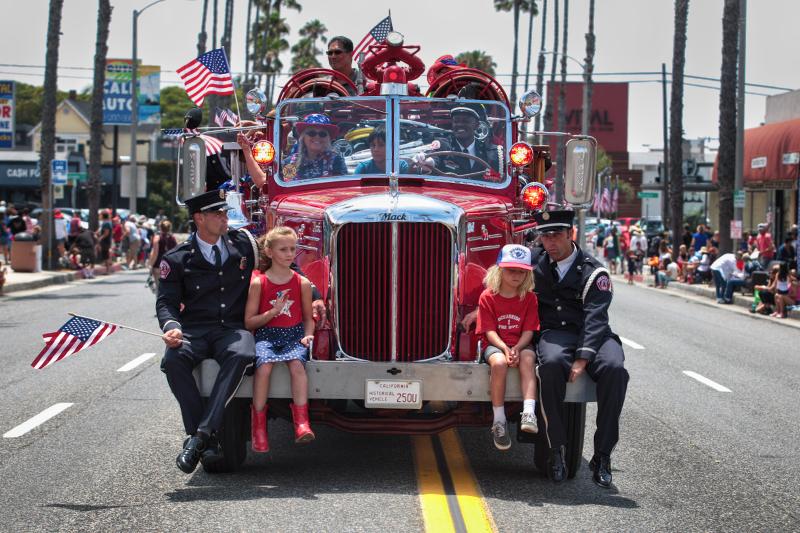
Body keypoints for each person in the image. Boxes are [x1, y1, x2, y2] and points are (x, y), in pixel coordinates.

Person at [157, 189, 259, 474]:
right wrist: (172, 327)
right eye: (218, 213)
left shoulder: (245, 244)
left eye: (225, 212)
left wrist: (311, 293)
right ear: (199, 218)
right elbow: (165, 301)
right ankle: (206, 436)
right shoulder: (177, 258)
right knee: (173, 361)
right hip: (195, 329)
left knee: (242, 353)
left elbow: (282, 265)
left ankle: (199, 437)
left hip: (232, 329)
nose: (225, 218)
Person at [529, 210, 628, 487]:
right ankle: (556, 449)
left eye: (556, 235)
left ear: (570, 235)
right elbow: (503, 279)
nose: (550, 242)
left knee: (614, 369)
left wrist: (583, 359)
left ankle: (602, 455)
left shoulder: (594, 271)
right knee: (549, 366)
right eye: (545, 236)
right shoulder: (534, 261)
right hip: (555, 332)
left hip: (592, 334)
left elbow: (595, 318)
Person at [245, 226, 316, 453]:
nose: (289, 254)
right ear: (269, 251)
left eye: (292, 249)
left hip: (294, 335)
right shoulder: (259, 283)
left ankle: (302, 423)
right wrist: (272, 313)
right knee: (263, 368)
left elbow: (307, 318)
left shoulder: (301, 283)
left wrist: (308, 335)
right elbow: (249, 322)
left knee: (297, 366)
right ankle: (258, 429)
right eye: (283, 249)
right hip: (267, 335)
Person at [475, 244, 540, 451]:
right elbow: (489, 331)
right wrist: (505, 349)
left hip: (521, 344)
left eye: (522, 271)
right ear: (499, 270)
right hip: (495, 345)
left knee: (529, 360)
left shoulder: (529, 298)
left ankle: (529, 412)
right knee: (499, 364)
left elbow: (529, 330)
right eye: (511, 270)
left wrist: (518, 348)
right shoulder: (487, 296)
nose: (517, 275)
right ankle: (499, 420)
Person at [435, 104, 502, 178]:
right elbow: (433, 160)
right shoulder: (443, 146)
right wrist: (428, 162)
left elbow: (499, 180)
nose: (460, 124)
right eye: (456, 121)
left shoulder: (492, 152)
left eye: (466, 121)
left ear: (477, 125)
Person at [279, 114, 347, 181]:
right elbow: (287, 187)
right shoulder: (290, 162)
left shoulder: (336, 161)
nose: (317, 137)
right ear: (303, 137)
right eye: (312, 133)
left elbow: (340, 188)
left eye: (322, 134)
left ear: (328, 138)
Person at [148, 219, 178, 294]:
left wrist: (150, 265)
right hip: (171, 266)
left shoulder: (157, 238)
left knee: (159, 290)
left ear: (160, 228)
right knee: (169, 289)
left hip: (159, 265)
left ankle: (161, 305)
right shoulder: (173, 238)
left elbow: (155, 253)